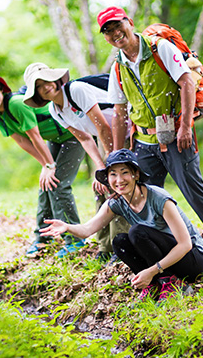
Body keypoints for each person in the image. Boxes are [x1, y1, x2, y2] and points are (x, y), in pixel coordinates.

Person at [96, 6, 203, 257]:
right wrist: (118, 153)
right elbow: (119, 112)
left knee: (193, 191)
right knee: (141, 196)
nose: (115, 33)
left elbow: (186, 82)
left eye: (117, 25)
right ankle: (161, 249)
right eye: (107, 31)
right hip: (143, 140)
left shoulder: (159, 48)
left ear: (129, 22)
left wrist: (185, 126)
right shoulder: (118, 67)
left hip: (176, 135)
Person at [40, 149, 203, 300]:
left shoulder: (159, 198)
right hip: (165, 259)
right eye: (113, 174)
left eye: (125, 172)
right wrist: (67, 227)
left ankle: (171, 283)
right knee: (120, 241)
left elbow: (185, 244)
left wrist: (152, 270)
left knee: (137, 232)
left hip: (191, 259)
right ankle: (155, 285)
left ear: (135, 174)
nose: (119, 180)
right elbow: (87, 230)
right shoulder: (116, 202)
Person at [0, 69, 85, 258]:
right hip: (54, 140)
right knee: (46, 185)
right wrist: (45, 166)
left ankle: (75, 239)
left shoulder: (16, 104)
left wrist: (50, 166)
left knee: (58, 184)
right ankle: (43, 238)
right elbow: (22, 141)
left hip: (74, 135)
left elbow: (35, 136)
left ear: (1, 90)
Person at [22, 62, 131, 262]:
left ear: (55, 78)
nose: (46, 87)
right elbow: (85, 139)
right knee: (101, 188)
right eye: (38, 86)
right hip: (106, 140)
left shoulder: (76, 90)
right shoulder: (56, 111)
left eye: (46, 80)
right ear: (36, 93)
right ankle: (105, 247)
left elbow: (103, 127)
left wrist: (109, 166)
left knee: (118, 187)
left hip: (126, 131)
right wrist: (100, 169)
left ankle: (121, 247)